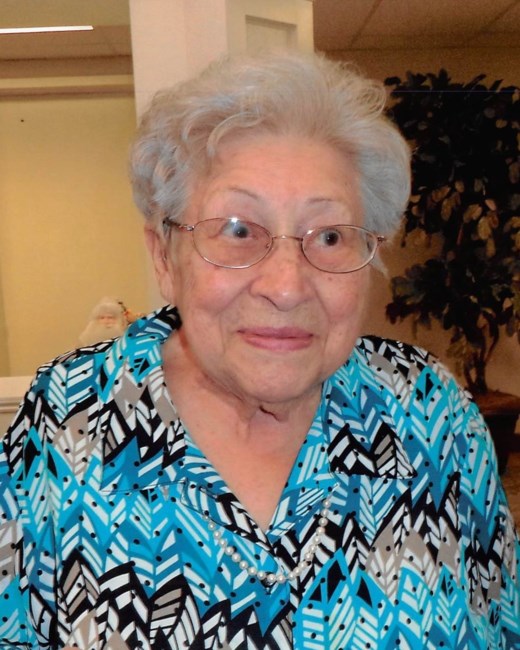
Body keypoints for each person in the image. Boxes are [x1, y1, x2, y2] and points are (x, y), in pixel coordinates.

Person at [0, 51, 518, 649]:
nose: (287, 286)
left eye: (330, 235)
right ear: (165, 256)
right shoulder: (66, 419)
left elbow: (503, 622)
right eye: (239, 230)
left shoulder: (430, 412)